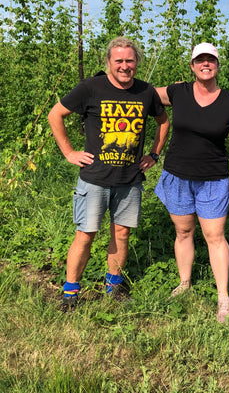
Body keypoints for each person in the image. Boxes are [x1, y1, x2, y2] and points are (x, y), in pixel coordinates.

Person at [48, 36, 170, 312]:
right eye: (119, 61)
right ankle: (70, 292)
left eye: (130, 60)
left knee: (122, 233)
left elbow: (163, 121)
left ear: (137, 62)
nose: (125, 66)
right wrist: (69, 153)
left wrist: (154, 154)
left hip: (129, 179)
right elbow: (56, 115)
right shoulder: (91, 87)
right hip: (94, 179)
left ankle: (113, 287)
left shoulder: (146, 92)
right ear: (108, 63)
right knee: (86, 234)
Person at [154, 42, 229, 323]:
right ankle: (185, 283)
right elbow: (145, 95)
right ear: (192, 66)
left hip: (213, 179)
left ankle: (223, 297)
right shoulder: (178, 92)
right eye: (200, 60)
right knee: (183, 232)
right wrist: (107, 84)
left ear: (217, 65)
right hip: (177, 175)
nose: (205, 64)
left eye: (210, 59)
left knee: (215, 237)